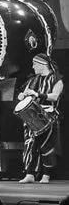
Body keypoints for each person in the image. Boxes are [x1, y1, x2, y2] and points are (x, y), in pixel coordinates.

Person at [18, 53, 64, 184]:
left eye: (35, 64)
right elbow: (23, 94)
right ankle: (30, 174)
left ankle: (46, 174)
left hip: (48, 115)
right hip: (32, 115)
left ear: (42, 65)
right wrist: (22, 96)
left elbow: (55, 96)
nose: (33, 67)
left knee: (46, 146)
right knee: (31, 145)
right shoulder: (33, 80)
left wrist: (37, 94)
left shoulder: (57, 79)